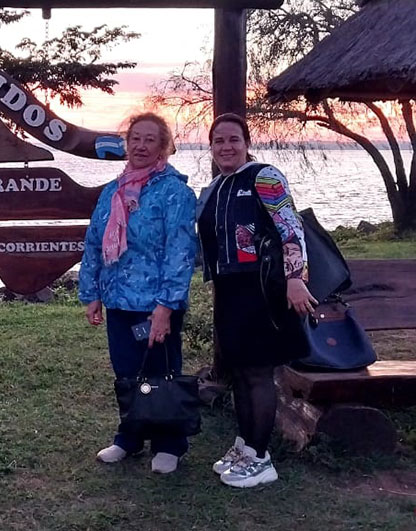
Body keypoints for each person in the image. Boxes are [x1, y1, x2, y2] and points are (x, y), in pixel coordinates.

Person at [198, 112, 313, 488]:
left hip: (263, 289)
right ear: (211, 147)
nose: (226, 146)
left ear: (246, 143)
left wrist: (296, 279)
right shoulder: (215, 187)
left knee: (260, 372)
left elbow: (291, 228)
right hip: (230, 291)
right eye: (219, 141)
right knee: (241, 372)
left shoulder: (263, 176)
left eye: (234, 139)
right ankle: (246, 447)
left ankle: (262, 459)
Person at [79, 112, 197, 474]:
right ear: (126, 144)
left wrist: (165, 306)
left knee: (159, 373)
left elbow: (181, 251)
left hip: (156, 305)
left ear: (164, 147)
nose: (141, 146)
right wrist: (92, 293)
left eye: (150, 139)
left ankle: (169, 443)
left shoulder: (175, 192)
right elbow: (95, 243)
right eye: (135, 139)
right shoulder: (113, 191)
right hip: (118, 300)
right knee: (127, 374)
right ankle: (129, 438)